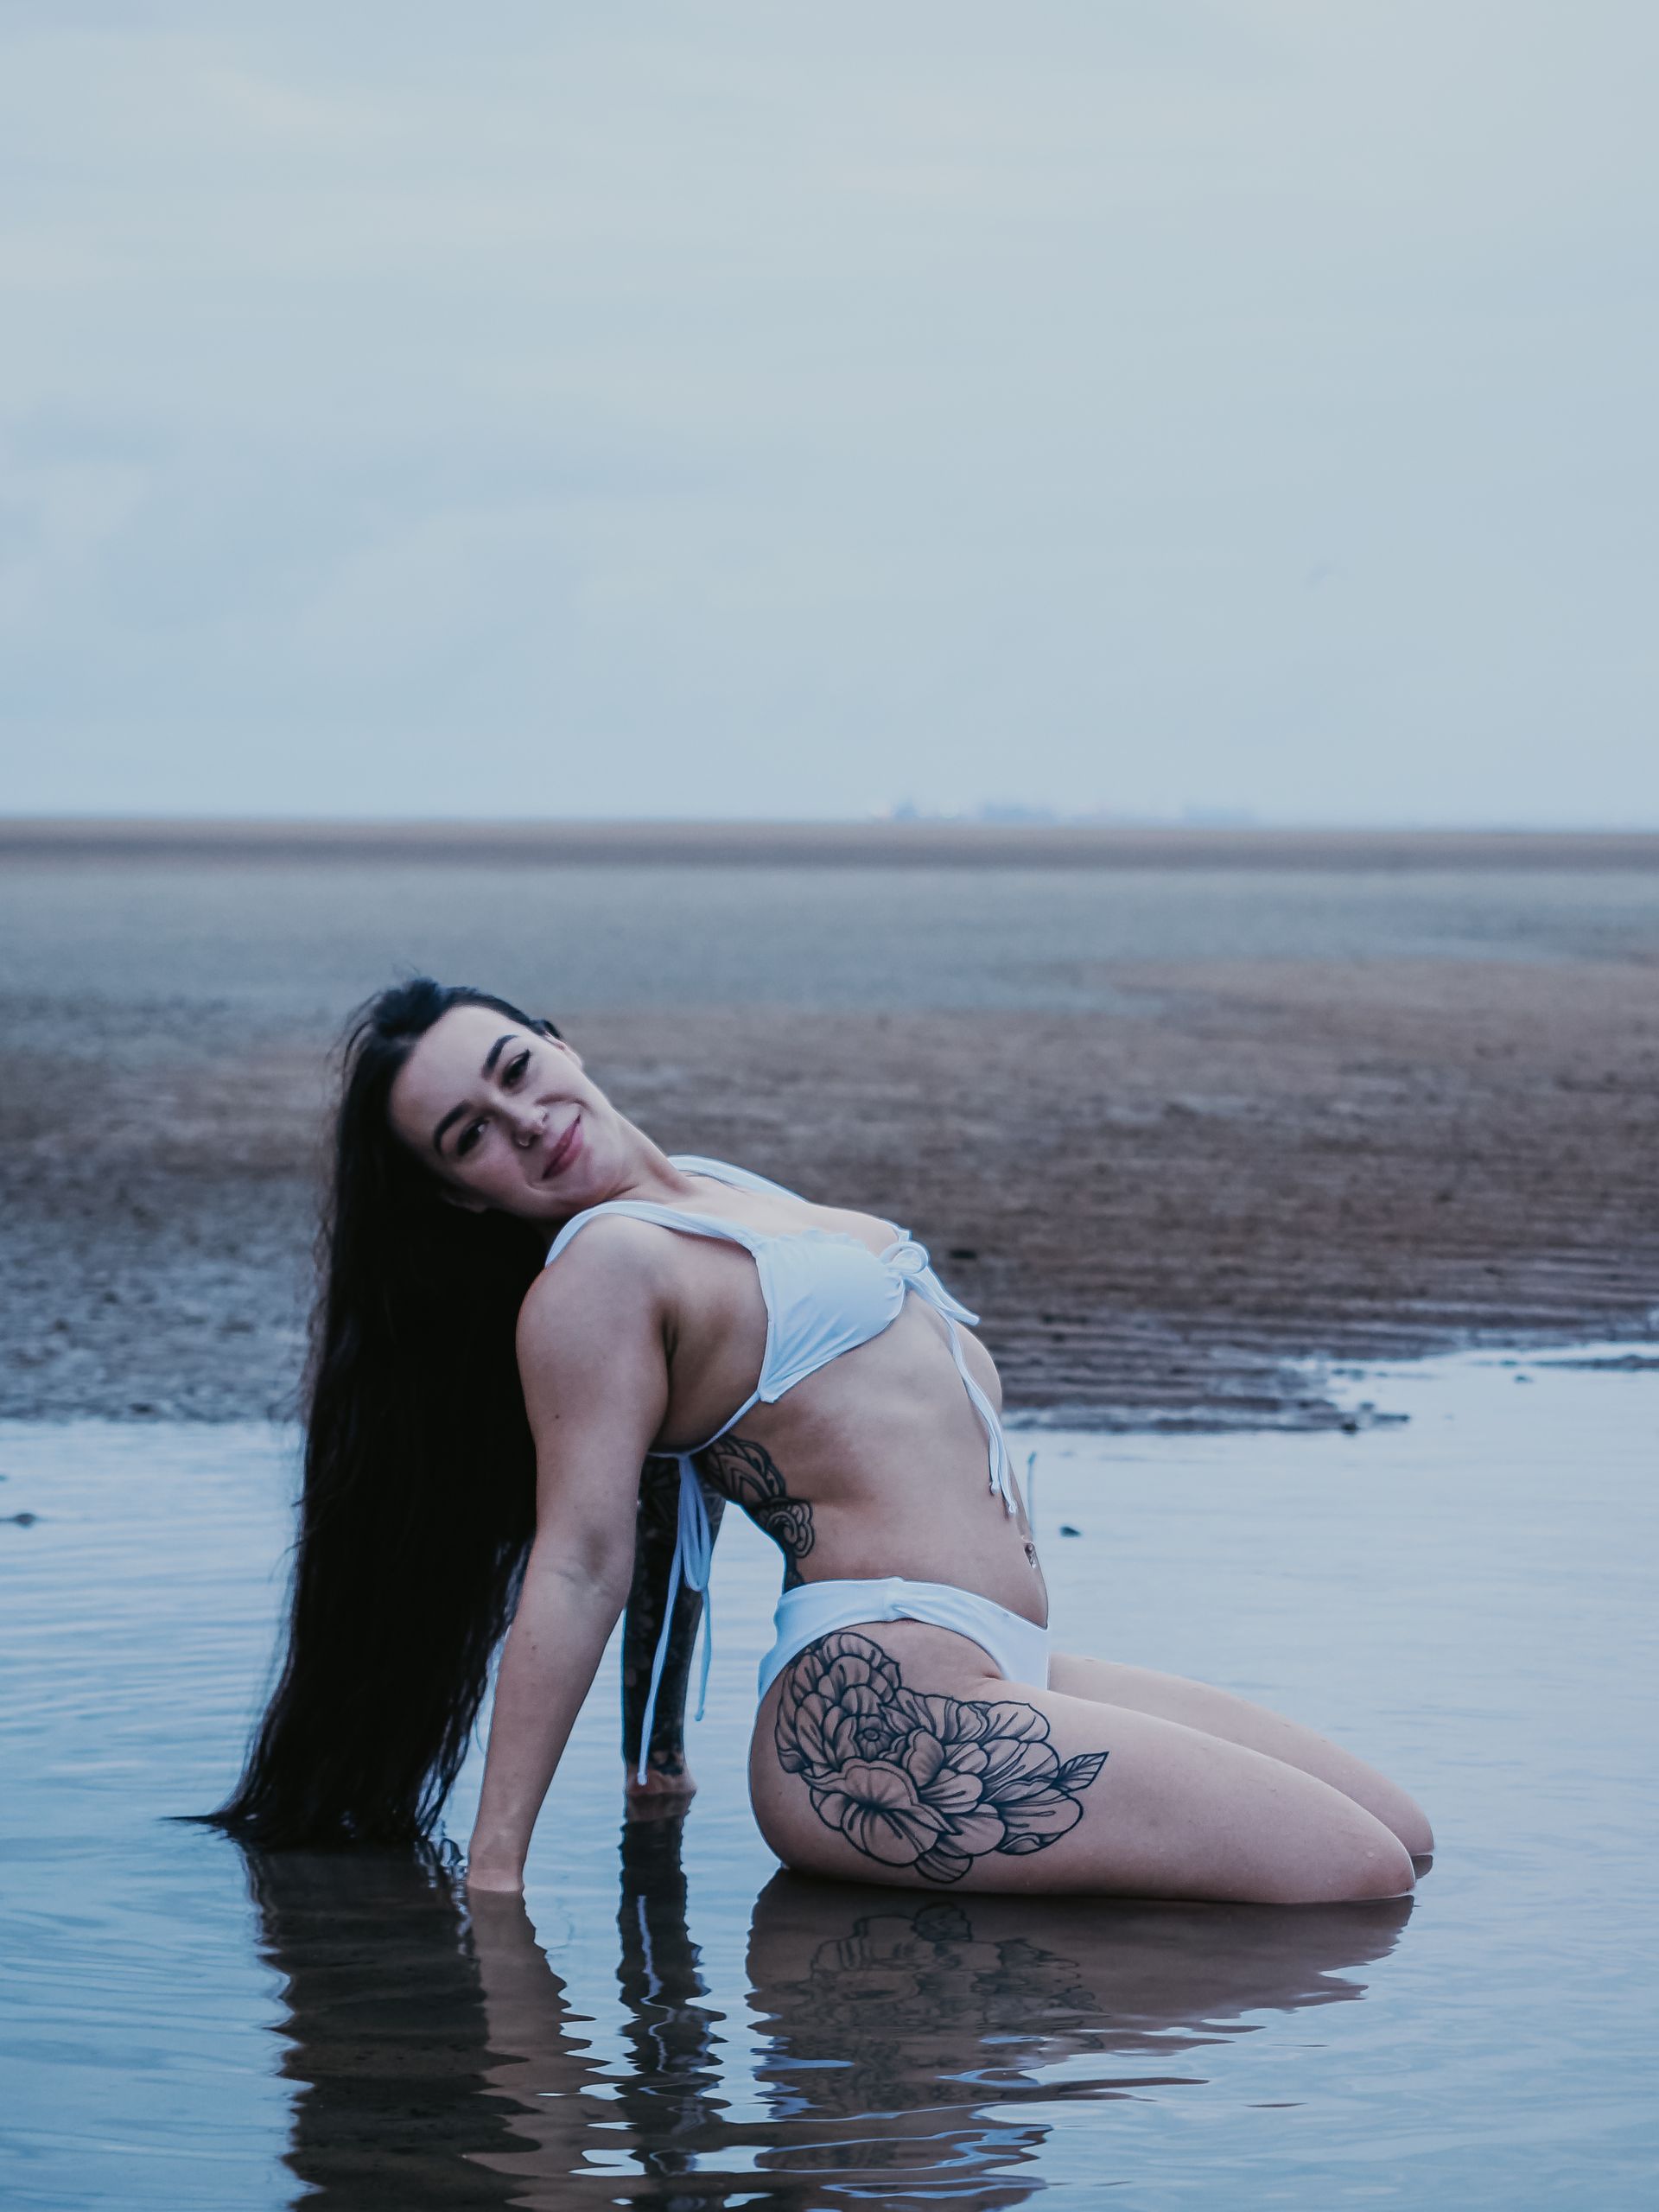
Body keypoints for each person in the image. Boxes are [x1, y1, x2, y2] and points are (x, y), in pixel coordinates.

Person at [205, 979, 1431, 1903]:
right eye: (469, 1134)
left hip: (1005, 1663)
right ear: (462, 1197)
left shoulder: (712, 1193)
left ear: (563, 1042)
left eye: (519, 1068)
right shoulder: (594, 1280)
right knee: (1354, 1881)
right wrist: (495, 1883)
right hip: (879, 1719)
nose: (523, 1118)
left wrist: (659, 1759)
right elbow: (579, 1562)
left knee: (1401, 1837)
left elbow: (672, 1499)